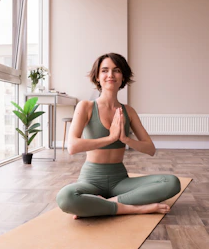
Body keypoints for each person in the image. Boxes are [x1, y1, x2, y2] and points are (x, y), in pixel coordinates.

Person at [56, 53, 181, 219]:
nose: (110, 75)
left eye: (116, 70)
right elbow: (72, 146)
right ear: (97, 77)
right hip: (90, 180)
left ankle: (101, 205)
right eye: (105, 70)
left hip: (120, 181)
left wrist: (125, 140)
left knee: (172, 182)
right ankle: (132, 208)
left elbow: (150, 149)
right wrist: (110, 138)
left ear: (123, 77)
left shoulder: (129, 111)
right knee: (65, 198)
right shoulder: (85, 106)